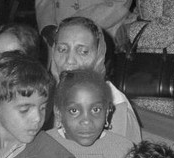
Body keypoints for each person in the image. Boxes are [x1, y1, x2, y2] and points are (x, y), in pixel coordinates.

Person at [51, 16, 141, 144]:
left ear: (99, 55)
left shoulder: (114, 103)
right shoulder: (46, 95)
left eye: (83, 52)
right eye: (62, 49)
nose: (70, 60)